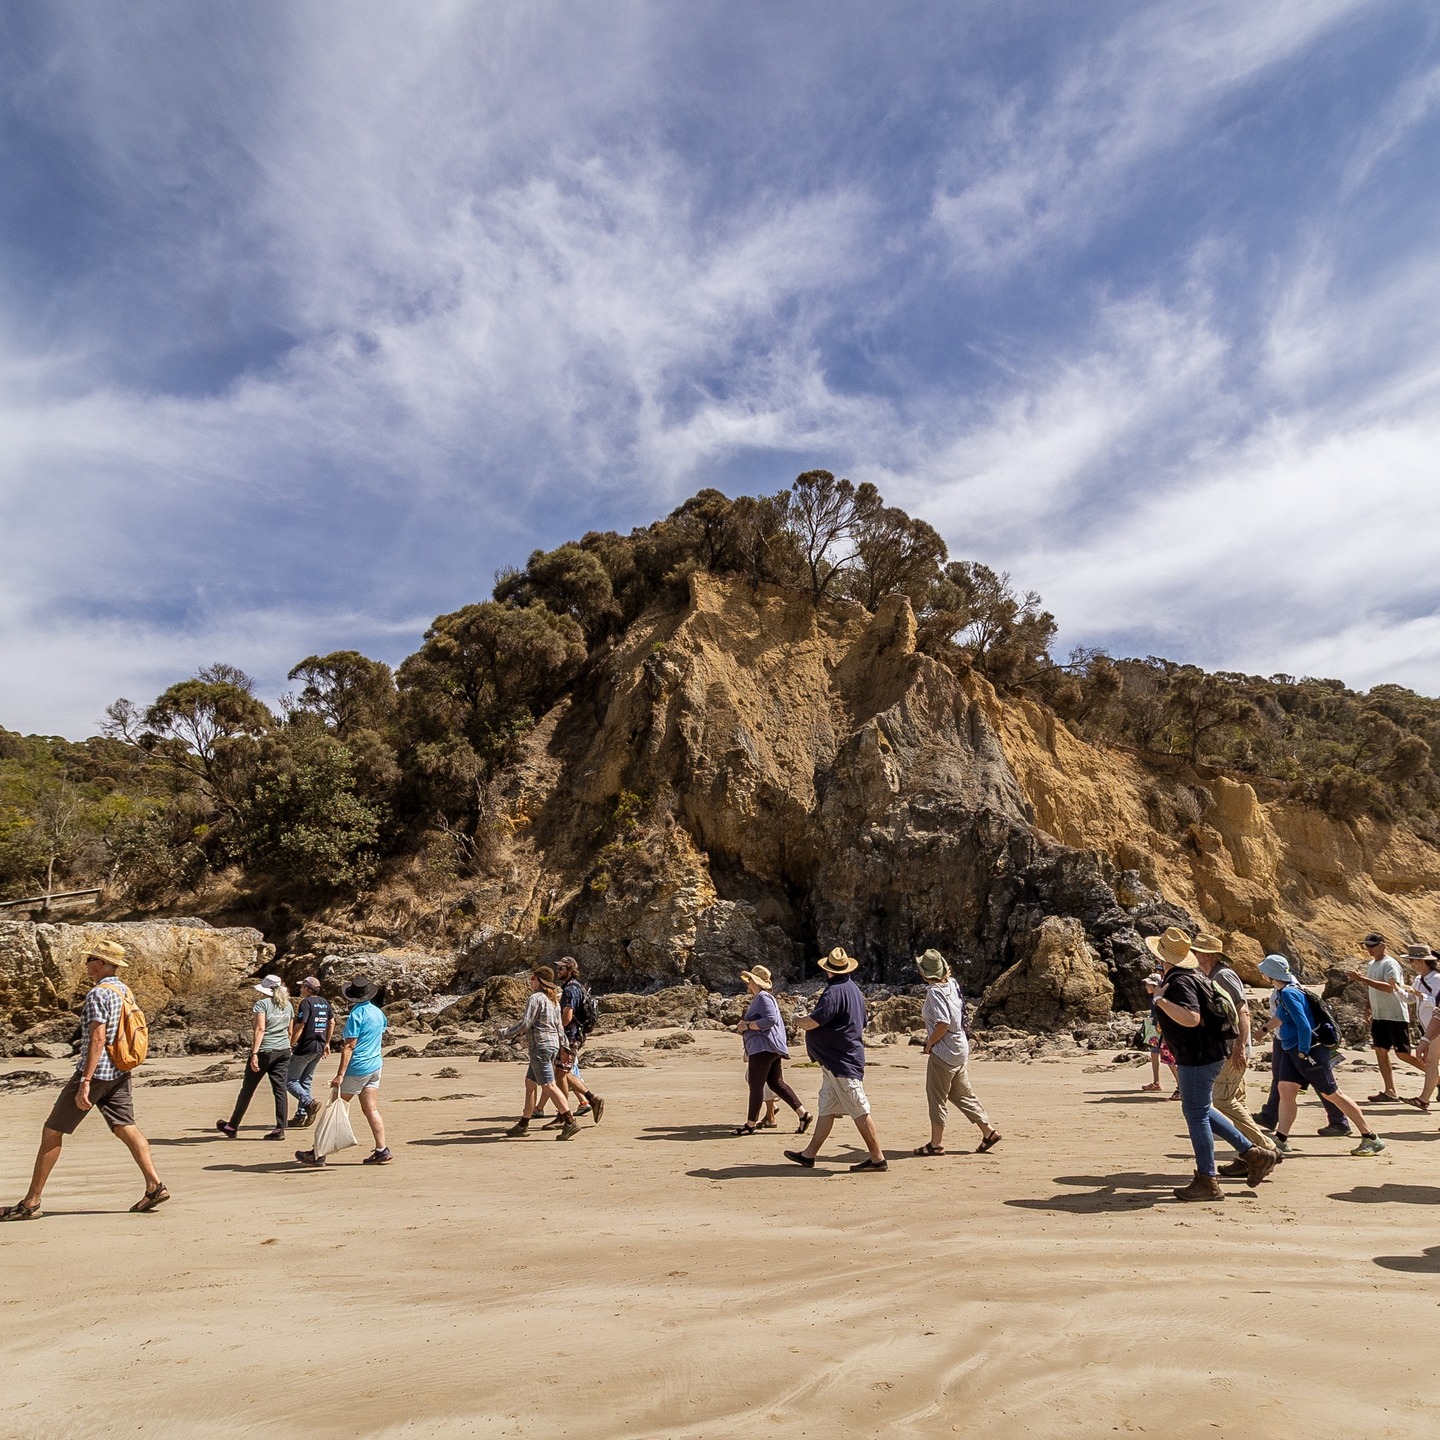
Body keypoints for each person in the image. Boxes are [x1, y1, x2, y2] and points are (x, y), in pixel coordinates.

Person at [1, 940, 168, 1220]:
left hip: (98, 1071)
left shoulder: (97, 994)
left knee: (52, 1131)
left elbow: (98, 1038)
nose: (86, 963)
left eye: (90, 958)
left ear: (100, 964)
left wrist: (86, 1081)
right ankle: (154, 1185)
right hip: (120, 1069)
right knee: (125, 1126)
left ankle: (31, 1202)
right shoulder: (123, 990)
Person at [1147, 928, 1275, 1202]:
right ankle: (1254, 1155)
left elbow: (1191, 1018)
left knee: (1196, 1115)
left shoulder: (1178, 982)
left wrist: (1160, 1000)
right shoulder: (1191, 977)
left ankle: (1208, 1179)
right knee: (1200, 1110)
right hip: (1209, 1053)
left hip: (1198, 1056)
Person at [1258, 953, 1385, 1156]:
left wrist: (1303, 1051)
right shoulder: (1284, 992)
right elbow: (1281, 1017)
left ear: (1270, 974)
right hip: (1293, 1049)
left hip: (1307, 1051)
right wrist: (1263, 1030)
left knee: (1332, 1093)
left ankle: (1370, 1137)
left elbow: (1304, 1025)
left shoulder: (1289, 994)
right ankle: (1281, 1138)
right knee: (1286, 1089)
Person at [784, 947, 887, 1172]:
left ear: (828, 970)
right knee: (827, 1107)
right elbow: (861, 1022)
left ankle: (878, 1158)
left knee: (859, 1108)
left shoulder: (834, 992)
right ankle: (809, 1154)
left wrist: (797, 1021)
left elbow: (814, 1022)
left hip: (841, 1062)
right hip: (836, 1062)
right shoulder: (854, 990)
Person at [1191, 934, 1277, 1173]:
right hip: (1229, 1048)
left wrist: (1239, 1048)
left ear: (1207, 955)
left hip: (1232, 1049)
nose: (1194, 957)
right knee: (1236, 1101)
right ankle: (1246, 1157)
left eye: (1196, 952)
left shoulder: (1223, 976)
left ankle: (1265, 1148)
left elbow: (1243, 1012)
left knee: (1221, 1100)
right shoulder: (1213, 975)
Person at [912, 949, 1000, 1156]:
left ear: (924, 973)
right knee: (962, 1093)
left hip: (944, 1051)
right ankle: (988, 1132)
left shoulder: (934, 992)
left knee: (937, 1097)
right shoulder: (952, 984)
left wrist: (929, 1044)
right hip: (960, 1047)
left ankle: (936, 1144)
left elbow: (943, 1023)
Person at [295, 978, 391, 1167]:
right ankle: (382, 1149)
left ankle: (318, 1153)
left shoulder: (357, 1014)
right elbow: (380, 1033)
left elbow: (349, 1047)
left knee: (335, 1107)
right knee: (371, 1109)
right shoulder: (378, 1013)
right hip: (375, 1065)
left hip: (358, 1067)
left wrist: (340, 1074)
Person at [1345, 931, 1424, 1101]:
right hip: (1380, 1015)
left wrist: (1362, 979)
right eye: (1367, 945)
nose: (1368, 949)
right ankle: (1390, 1091)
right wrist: (1367, 1007)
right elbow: (1371, 988)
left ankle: (1435, 1078)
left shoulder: (1390, 964)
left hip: (1395, 1014)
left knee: (1403, 1054)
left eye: (1372, 946)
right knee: (1380, 1051)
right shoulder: (1372, 964)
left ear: (1382, 946)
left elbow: (1390, 987)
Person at [502, 967, 579, 1140]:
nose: (530, 982)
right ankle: (523, 1124)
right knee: (530, 1083)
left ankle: (569, 1121)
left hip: (540, 1048)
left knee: (549, 1085)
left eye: (532, 979)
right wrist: (564, 1047)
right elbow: (560, 1027)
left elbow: (526, 1023)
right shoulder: (553, 1001)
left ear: (538, 980)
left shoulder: (535, 998)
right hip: (551, 1047)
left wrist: (505, 1033)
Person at [734, 965, 811, 1135]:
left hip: (763, 1048)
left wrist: (746, 1025)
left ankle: (750, 1124)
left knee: (756, 1086)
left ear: (755, 982)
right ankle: (803, 1114)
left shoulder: (762, 997)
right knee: (776, 1083)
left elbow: (770, 1019)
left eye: (749, 981)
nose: (747, 985)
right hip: (771, 1048)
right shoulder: (763, 997)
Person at [217, 975, 293, 1140]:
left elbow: (260, 1030)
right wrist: (288, 1046)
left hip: (266, 1050)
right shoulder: (288, 1005)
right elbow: (290, 1030)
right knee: (280, 1090)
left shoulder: (262, 1004)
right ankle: (280, 1128)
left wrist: (254, 1054)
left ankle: (232, 1126)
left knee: (247, 1090)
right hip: (284, 1049)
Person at [554, 957, 604, 1125]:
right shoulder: (576, 986)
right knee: (564, 1074)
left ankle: (564, 1115)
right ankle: (590, 1099)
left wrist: (555, 1030)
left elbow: (567, 1017)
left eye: (561, 968)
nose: (558, 971)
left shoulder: (570, 990)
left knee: (560, 1074)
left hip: (570, 1037)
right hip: (575, 1035)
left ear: (569, 970)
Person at [286, 976, 333, 1127]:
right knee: (305, 1080)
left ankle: (309, 1102)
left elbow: (301, 1024)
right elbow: (331, 1022)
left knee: (290, 1080)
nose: (300, 989)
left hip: (306, 1046)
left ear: (307, 989)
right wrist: (327, 1042)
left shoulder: (306, 1003)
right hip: (319, 1046)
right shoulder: (324, 1002)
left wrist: (291, 1043)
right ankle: (301, 1115)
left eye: (302, 987)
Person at [1401, 945, 1440, 1114]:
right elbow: (1410, 999)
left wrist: (1418, 995)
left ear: (1421, 961)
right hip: (1429, 1027)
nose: (1411, 964)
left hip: (1435, 1027)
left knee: (1431, 1062)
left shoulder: (1436, 979)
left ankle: (1424, 1099)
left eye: (1412, 960)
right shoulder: (1419, 979)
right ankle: (1424, 1099)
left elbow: (1435, 1002)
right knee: (1431, 1062)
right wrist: (1397, 990)